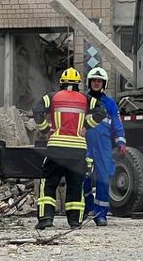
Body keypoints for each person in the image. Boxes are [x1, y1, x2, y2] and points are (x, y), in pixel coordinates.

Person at [32, 67, 106, 230]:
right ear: (78, 83)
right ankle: (74, 221)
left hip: (56, 147)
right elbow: (102, 111)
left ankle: (46, 218)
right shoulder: (86, 99)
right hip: (78, 149)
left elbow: (37, 110)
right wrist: (87, 125)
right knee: (75, 185)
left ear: (62, 83)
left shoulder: (52, 97)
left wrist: (45, 130)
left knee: (49, 182)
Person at [83, 67, 126, 226]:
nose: (96, 83)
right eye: (94, 80)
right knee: (83, 177)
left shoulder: (110, 103)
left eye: (99, 81)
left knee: (103, 178)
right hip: (85, 143)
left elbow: (117, 123)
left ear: (104, 84)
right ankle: (87, 208)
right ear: (89, 82)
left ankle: (101, 215)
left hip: (104, 144)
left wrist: (121, 141)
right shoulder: (83, 100)